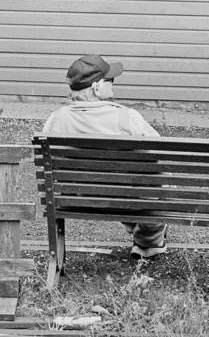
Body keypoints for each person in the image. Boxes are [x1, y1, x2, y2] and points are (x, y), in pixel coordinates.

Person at [41, 53, 168, 259]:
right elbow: (159, 155)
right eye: (110, 80)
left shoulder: (57, 119)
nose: (113, 83)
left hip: (79, 200)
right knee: (162, 181)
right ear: (96, 88)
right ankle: (148, 242)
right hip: (128, 200)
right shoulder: (127, 118)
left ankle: (141, 233)